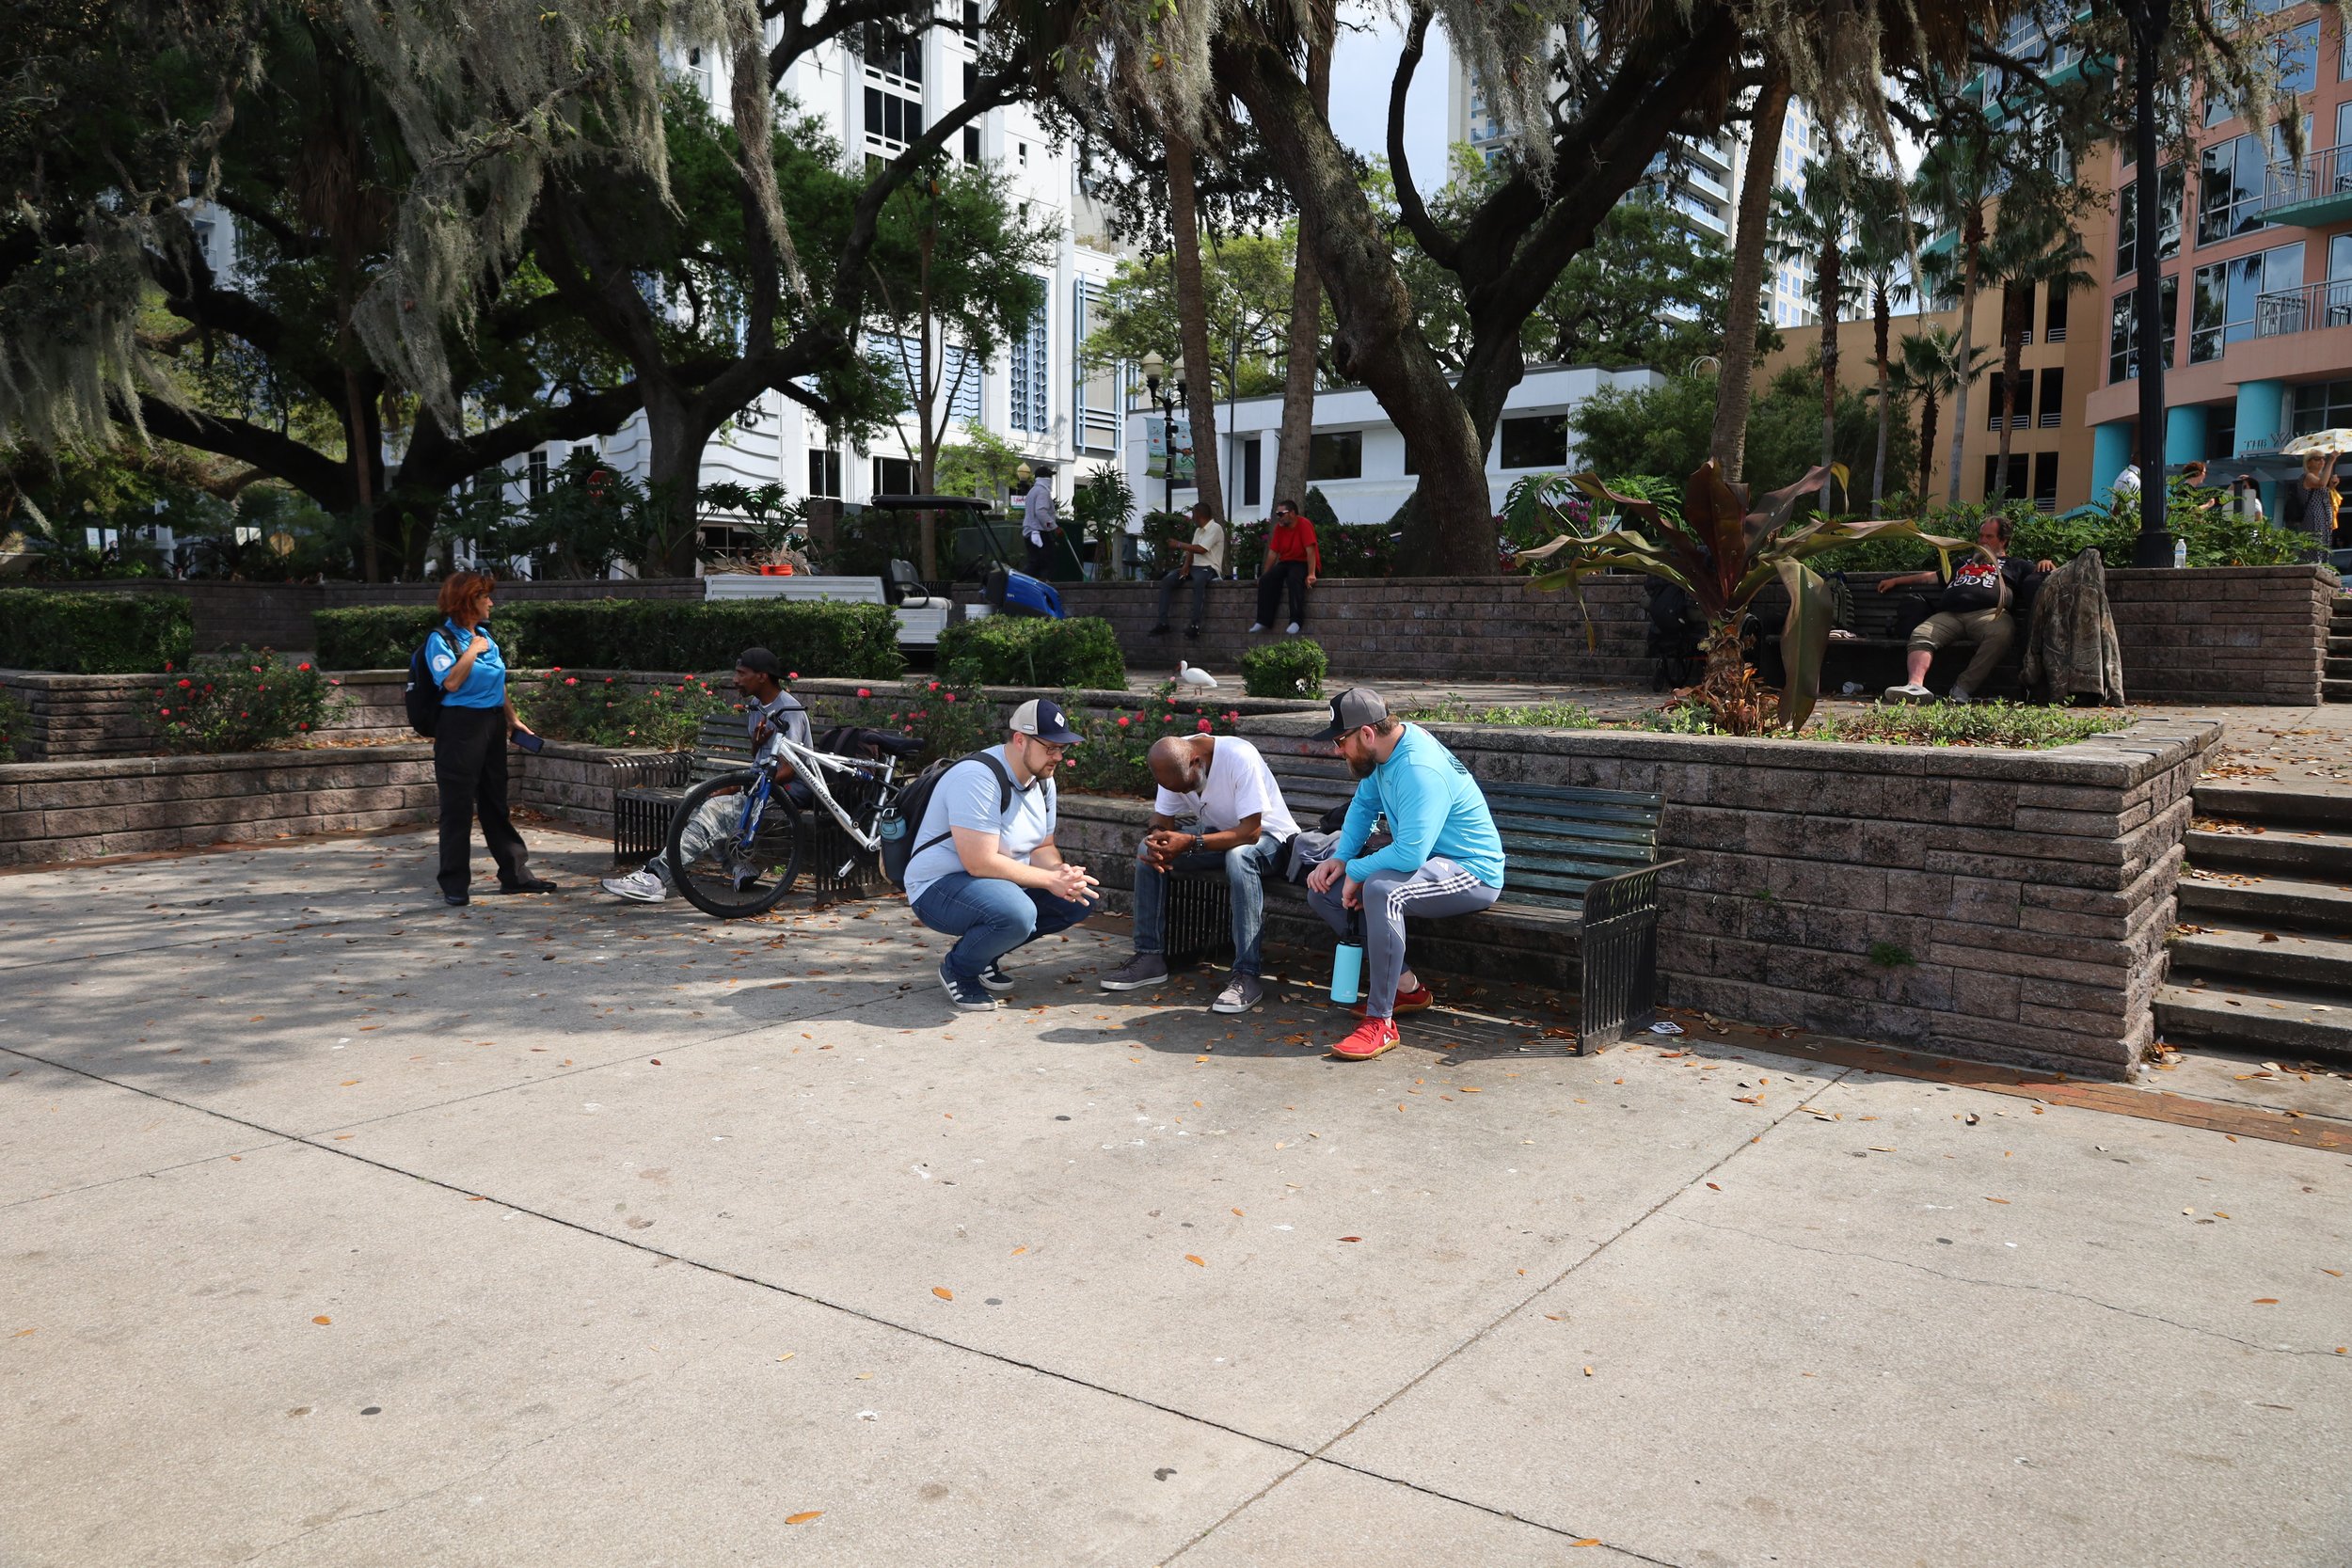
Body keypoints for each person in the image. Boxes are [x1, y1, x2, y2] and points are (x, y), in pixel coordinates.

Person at [1304, 689, 1505, 1062]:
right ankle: (1407, 987)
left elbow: (1410, 853)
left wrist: (1360, 870)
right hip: (1427, 865)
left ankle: (1381, 1023)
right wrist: (1343, 860)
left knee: (1381, 890)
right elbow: (1364, 806)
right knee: (1324, 891)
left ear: (1366, 734)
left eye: (1339, 741)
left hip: (1472, 870)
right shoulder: (1384, 751)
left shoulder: (1418, 768)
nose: (1337, 751)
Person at [905, 697, 1100, 1011]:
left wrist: (1063, 874)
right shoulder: (977, 777)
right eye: (1050, 747)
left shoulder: (1043, 781)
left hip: (992, 883)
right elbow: (979, 862)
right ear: (1020, 739)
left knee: (1078, 899)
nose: (1058, 757)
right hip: (937, 887)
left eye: (1062, 749)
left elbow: (1042, 846)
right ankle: (959, 969)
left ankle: (983, 955)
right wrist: (1049, 880)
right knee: (1016, 913)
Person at [1097, 731, 1300, 1013]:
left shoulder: (1239, 757)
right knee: (1147, 851)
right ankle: (1150, 957)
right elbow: (1162, 817)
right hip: (1218, 839)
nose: (1184, 794)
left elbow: (1251, 832)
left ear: (1196, 762)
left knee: (1239, 857)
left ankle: (1246, 975)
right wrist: (1157, 836)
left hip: (1271, 841)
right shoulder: (1173, 760)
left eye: (1186, 787)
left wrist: (1192, 842)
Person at [600, 648, 813, 904]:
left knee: (714, 809)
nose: (735, 680)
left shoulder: (789, 710)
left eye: (741, 674)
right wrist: (757, 743)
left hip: (783, 789)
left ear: (762, 676)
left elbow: (789, 768)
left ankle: (655, 877)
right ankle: (738, 867)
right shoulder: (756, 705)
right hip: (758, 781)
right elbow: (759, 754)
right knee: (695, 796)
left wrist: (739, 789)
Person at [425, 570, 555, 907]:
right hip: (459, 728)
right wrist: (473, 650)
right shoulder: (441, 639)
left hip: (492, 724)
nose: (491, 602)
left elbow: (498, 683)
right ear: (469, 600)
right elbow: (450, 682)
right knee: (456, 808)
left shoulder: (485, 636)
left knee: (495, 803)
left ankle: (514, 875)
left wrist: (513, 720)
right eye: (486, 597)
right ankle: (454, 883)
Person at [1877, 515, 2056, 705]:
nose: (1982, 541)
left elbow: (2047, 578)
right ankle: (1915, 686)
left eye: (1989, 537)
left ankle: (1962, 688)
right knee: (1922, 633)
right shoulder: (1964, 562)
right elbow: (1932, 577)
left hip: (1989, 614)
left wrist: (2046, 563)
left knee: (2001, 634)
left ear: (2003, 541)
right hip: (1950, 615)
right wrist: (1896, 580)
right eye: (1981, 536)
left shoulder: (2016, 565)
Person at [1149, 499, 1225, 638]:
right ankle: (1163, 623)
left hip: (1209, 567)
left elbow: (1201, 549)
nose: (1192, 518)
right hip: (1194, 567)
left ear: (1200, 515)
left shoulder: (1215, 528)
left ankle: (1195, 625)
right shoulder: (1198, 530)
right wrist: (1185, 566)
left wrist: (1178, 544)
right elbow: (1192, 550)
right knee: (1168, 580)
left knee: (1198, 584)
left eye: (1193, 514)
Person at [1249, 498, 1319, 636]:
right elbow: (1273, 553)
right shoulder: (1279, 528)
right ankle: (1263, 620)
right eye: (1277, 514)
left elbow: (1310, 551)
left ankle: (1296, 621)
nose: (1278, 517)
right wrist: (1264, 575)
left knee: (1294, 578)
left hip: (1303, 561)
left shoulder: (1304, 524)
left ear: (1292, 513)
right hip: (1287, 562)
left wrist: (1311, 574)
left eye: (1281, 514)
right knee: (1267, 580)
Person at [1021, 465, 1060, 579]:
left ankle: (1024, 583)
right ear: (1046, 478)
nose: (1051, 479)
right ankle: (1041, 586)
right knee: (1045, 563)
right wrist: (1054, 527)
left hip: (1030, 532)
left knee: (1035, 563)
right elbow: (1041, 512)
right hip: (1038, 532)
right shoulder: (1043, 492)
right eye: (1050, 476)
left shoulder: (1033, 491)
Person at [2299, 451, 2340, 556]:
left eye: (2323, 458)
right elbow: (2321, 483)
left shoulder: (2318, 478)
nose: (2322, 461)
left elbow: (2323, 492)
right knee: (2315, 547)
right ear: (2308, 463)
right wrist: (2330, 462)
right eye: (2317, 459)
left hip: (2323, 518)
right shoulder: (2307, 476)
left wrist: (2331, 486)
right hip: (2314, 517)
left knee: (2323, 547)